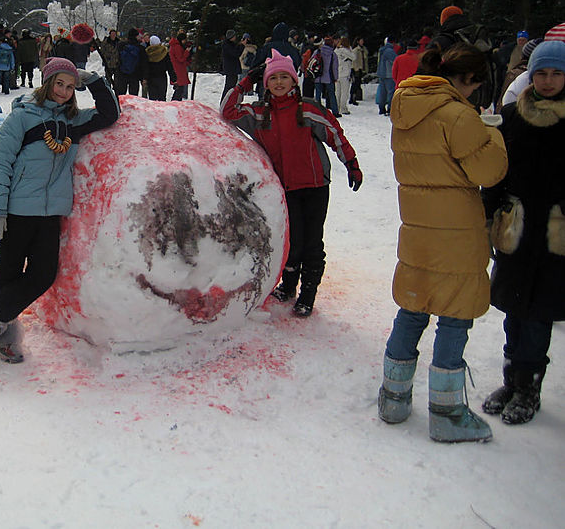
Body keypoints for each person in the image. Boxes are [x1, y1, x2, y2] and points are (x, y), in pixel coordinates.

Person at [377, 42, 507, 443]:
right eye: (475, 85)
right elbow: (490, 171)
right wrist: (493, 133)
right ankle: (447, 412)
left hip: (417, 229)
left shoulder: (405, 108)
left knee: (413, 308)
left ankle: (393, 398)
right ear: (466, 79)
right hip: (456, 233)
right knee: (454, 314)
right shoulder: (458, 116)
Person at [0, 58, 120, 363]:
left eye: (70, 86)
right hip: (17, 211)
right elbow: (1, 162)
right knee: (7, 274)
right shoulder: (21, 117)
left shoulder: (73, 122)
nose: (63, 91)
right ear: (47, 83)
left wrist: (94, 81)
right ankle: (2, 340)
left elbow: (109, 114)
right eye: (59, 83)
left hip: (49, 214)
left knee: (42, 274)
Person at [221, 50, 362, 317]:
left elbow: (335, 134)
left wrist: (351, 164)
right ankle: (288, 286)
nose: (279, 83)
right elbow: (227, 111)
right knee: (291, 240)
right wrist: (245, 81)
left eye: (285, 77)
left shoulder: (308, 108)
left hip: (315, 185)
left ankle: (308, 293)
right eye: (273, 78)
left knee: (312, 242)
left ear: (294, 80)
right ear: (266, 83)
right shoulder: (259, 113)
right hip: (285, 188)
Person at [480, 41, 565, 426]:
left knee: (539, 312)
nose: (548, 81)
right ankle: (511, 380)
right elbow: (496, 172)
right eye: (542, 73)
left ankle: (529, 386)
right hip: (515, 225)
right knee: (513, 309)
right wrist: (488, 213)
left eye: (556, 74)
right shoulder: (512, 116)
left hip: (554, 233)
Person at [114, 27, 147, 96]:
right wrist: (143, 77)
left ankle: (119, 106)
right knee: (133, 96)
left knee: (120, 96)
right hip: (135, 74)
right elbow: (144, 64)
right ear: (136, 36)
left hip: (121, 74)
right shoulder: (140, 48)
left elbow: (115, 59)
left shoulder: (121, 45)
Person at [313, 36, 340, 117]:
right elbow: (335, 67)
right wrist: (335, 77)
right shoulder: (332, 54)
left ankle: (317, 110)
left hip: (318, 76)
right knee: (332, 94)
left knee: (318, 94)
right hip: (329, 77)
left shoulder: (317, 51)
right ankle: (335, 111)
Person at [144, 35, 176, 101]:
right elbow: (170, 66)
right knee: (162, 98)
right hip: (162, 77)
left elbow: (146, 67)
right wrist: (174, 78)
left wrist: (145, 78)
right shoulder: (164, 52)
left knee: (152, 99)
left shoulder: (147, 52)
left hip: (151, 78)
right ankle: (162, 111)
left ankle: (154, 111)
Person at [375, 35, 398, 115]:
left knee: (382, 92)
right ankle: (390, 108)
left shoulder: (382, 50)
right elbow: (395, 61)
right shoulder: (390, 51)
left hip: (381, 73)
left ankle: (381, 108)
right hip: (389, 74)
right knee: (391, 92)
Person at [334, 36, 355, 115]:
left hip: (337, 73)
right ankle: (343, 108)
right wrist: (350, 49)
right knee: (344, 92)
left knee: (337, 92)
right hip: (345, 73)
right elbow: (354, 57)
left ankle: (337, 107)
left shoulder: (336, 50)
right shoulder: (346, 51)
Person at [220, 29, 243, 100]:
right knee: (229, 87)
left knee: (231, 86)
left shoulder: (230, 44)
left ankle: (228, 101)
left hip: (232, 69)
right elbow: (236, 54)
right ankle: (225, 101)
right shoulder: (227, 45)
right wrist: (242, 46)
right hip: (231, 69)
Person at [168, 32, 191, 101]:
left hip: (177, 68)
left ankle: (176, 102)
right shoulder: (177, 47)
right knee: (179, 89)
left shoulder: (174, 46)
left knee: (179, 88)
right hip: (179, 69)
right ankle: (175, 103)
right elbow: (180, 59)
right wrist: (187, 51)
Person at [350, 38, 369, 105]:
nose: (362, 42)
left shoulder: (363, 49)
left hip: (361, 68)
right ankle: (352, 97)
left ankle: (355, 97)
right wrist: (355, 69)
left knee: (357, 84)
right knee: (355, 84)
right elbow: (354, 61)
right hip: (356, 69)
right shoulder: (355, 50)